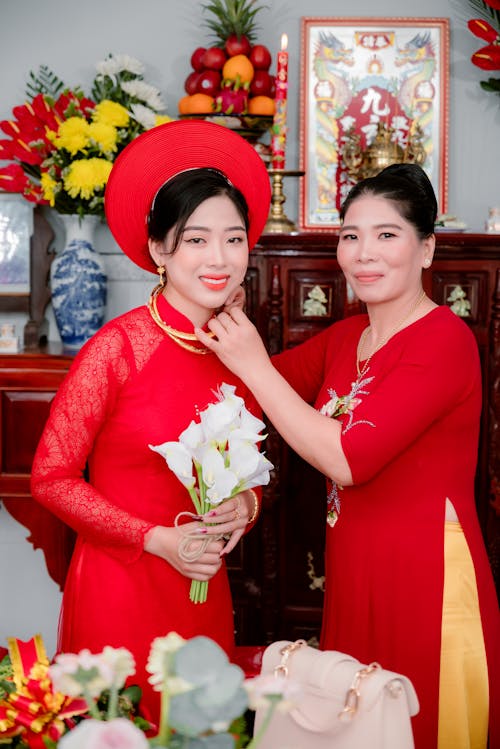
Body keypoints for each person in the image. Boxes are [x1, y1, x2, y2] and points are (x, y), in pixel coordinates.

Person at [196, 163, 500, 749]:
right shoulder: (345, 338)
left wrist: (254, 361)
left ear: (427, 249)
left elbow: (349, 460)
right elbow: (242, 395)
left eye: (387, 235)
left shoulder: (444, 340)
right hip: (354, 576)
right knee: (358, 725)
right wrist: (214, 301)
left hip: (425, 584)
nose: (365, 253)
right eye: (351, 235)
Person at [30, 120, 271, 722]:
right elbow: (51, 478)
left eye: (234, 239)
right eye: (195, 240)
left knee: (198, 730)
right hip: (121, 584)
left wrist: (246, 508)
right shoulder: (117, 348)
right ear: (160, 251)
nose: (219, 258)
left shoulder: (239, 348)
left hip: (200, 590)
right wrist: (156, 539)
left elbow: (249, 472)